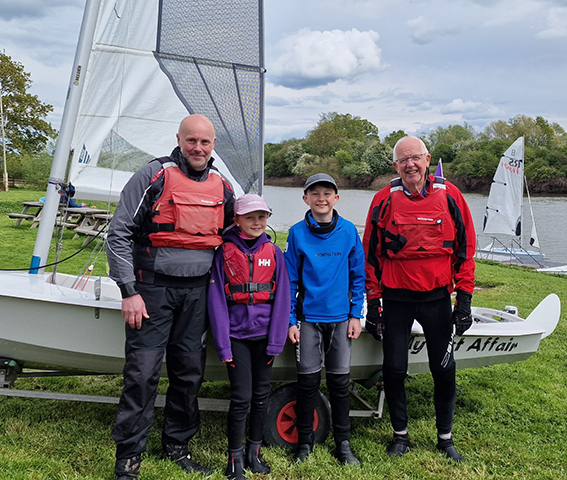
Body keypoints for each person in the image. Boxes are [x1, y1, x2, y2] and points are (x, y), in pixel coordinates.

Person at [106, 114, 235, 480]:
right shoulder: (152, 176)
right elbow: (118, 235)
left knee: (189, 373)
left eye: (205, 142)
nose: (198, 148)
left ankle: (178, 446)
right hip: (150, 291)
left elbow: (234, 238)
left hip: (197, 295)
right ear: (179, 139)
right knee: (143, 374)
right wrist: (129, 291)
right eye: (191, 141)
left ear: (213, 145)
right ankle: (128, 460)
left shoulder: (222, 187)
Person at [362, 136, 476, 462]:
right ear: (395, 166)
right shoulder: (384, 200)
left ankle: (445, 438)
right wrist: (373, 305)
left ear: (427, 159)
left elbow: (466, 251)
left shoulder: (450, 195)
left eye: (415, 158)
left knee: (443, 368)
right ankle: (400, 436)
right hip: (396, 300)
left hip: (437, 299)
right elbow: (371, 255)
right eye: (403, 160)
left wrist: (464, 302)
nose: (410, 164)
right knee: (394, 369)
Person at [208, 193, 290, 480]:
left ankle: (254, 453)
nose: (257, 222)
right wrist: (222, 344)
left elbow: (282, 299)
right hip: (236, 338)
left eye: (261, 217)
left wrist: (276, 340)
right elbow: (216, 299)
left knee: (260, 397)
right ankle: (234, 459)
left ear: (267, 219)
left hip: (265, 338)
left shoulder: (276, 254)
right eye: (250, 217)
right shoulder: (223, 253)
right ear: (237, 220)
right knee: (241, 397)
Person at [285, 173, 365, 465]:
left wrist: (356, 314)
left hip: (341, 319)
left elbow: (358, 276)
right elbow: (290, 280)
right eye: (314, 193)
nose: (321, 199)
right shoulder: (296, 233)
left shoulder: (347, 232)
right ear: (305, 198)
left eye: (327, 193)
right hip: (308, 320)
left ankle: (343, 444)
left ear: (336, 198)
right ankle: (304, 444)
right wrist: (290, 320)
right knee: (307, 385)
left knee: (340, 385)